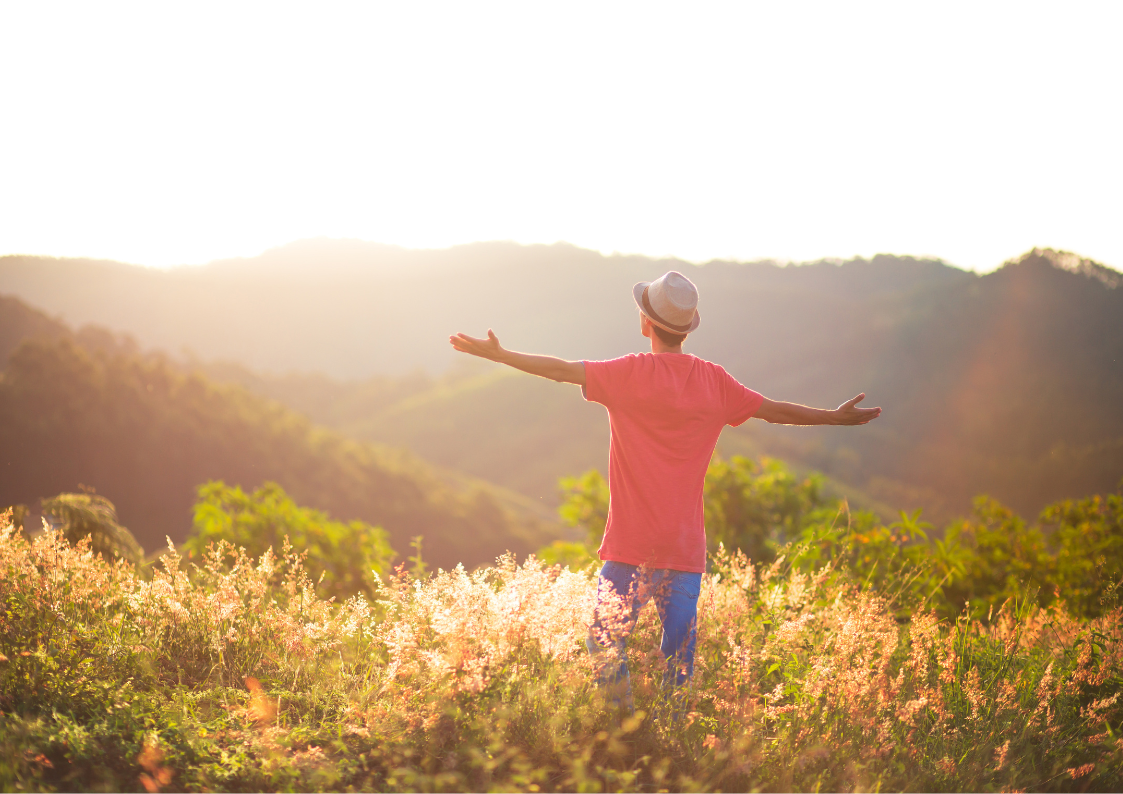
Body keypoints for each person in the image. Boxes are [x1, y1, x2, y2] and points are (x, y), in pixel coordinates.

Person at [449, 270, 881, 715]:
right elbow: (776, 411)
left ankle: (623, 731)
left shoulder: (629, 373)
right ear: (687, 328)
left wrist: (501, 356)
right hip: (684, 548)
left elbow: (560, 370)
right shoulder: (716, 382)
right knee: (679, 663)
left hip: (630, 546)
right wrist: (834, 417)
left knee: (603, 642)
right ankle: (672, 745)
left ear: (645, 323)